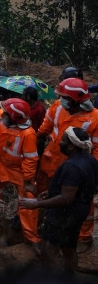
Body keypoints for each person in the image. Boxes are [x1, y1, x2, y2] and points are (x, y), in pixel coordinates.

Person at [20, 128, 98, 273]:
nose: (59, 143)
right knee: (69, 247)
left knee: (48, 249)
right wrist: (53, 192)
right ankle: (69, 280)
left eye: (62, 141)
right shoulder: (90, 159)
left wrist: (36, 204)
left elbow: (66, 198)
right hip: (79, 210)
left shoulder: (71, 167)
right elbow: (80, 186)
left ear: (71, 146)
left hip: (64, 214)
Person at [35, 77, 98, 246]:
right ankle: (40, 228)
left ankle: (83, 237)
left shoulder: (94, 118)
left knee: (82, 201)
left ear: (75, 99)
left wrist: (89, 170)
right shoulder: (57, 107)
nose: (60, 99)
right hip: (51, 161)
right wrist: (37, 138)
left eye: (64, 96)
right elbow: (45, 127)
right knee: (44, 193)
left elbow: (97, 149)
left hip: (77, 168)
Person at [0, 98, 40, 251]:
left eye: (7, 114)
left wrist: (28, 180)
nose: (3, 116)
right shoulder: (1, 119)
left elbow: (30, 159)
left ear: (15, 117)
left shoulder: (28, 134)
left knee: (28, 199)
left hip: (18, 170)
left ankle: (31, 238)